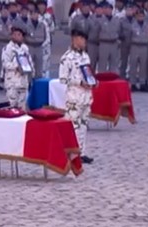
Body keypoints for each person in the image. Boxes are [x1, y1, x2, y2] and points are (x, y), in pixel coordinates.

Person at [59, 29, 94, 165]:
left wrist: (92, 81)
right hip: (74, 97)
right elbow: (63, 79)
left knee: (84, 125)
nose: (84, 42)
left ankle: (82, 152)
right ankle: (72, 153)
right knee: (74, 126)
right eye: (82, 39)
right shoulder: (66, 58)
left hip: (85, 96)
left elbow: (88, 72)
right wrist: (79, 82)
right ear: (75, 39)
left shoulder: (85, 56)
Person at [1, 26, 32, 109]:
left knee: (22, 108)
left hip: (23, 82)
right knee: (12, 107)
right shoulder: (8, 48)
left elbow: (29, 62)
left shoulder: (25, 48)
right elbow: (5, 64)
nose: (16, 37)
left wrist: (28, 68)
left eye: (19, 35)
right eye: (14, 34)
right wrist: (16, 66)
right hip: (12, 82)